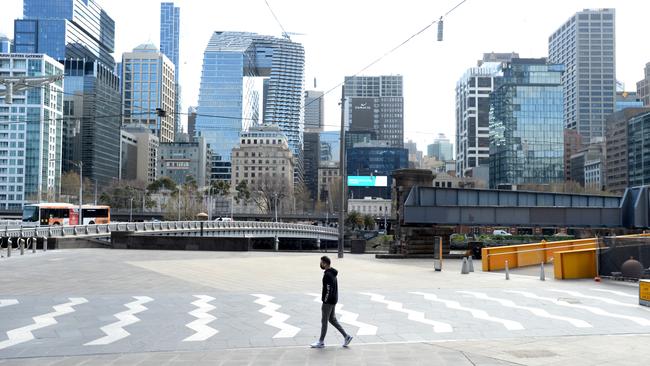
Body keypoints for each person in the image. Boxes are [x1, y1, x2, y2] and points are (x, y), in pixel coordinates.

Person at [310, 256, 353, 348]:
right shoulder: (332, 273)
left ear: (325, 263)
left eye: (321, 262)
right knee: (332, 319)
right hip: (333, 300)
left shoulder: (327, 275)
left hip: (328, 302)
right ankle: (347, 336)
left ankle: (321, 342)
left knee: (324, 321)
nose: (320, 264)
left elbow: (328, 289)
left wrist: (325, 301)